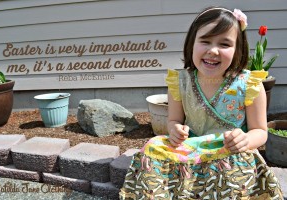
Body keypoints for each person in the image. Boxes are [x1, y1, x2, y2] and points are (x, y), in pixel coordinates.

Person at [120, 7, 283, 199]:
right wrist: (175, 130)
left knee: (237, 163)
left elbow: (261, 132)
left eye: (224, 44)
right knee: (152, 146)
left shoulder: (249, 85)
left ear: (237, 49)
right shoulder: (180, 82)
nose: (213, 51)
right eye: (205, 41)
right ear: (191, 44)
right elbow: (173, 121)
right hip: (191, 149)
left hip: (229, 151)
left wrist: (245, 140)